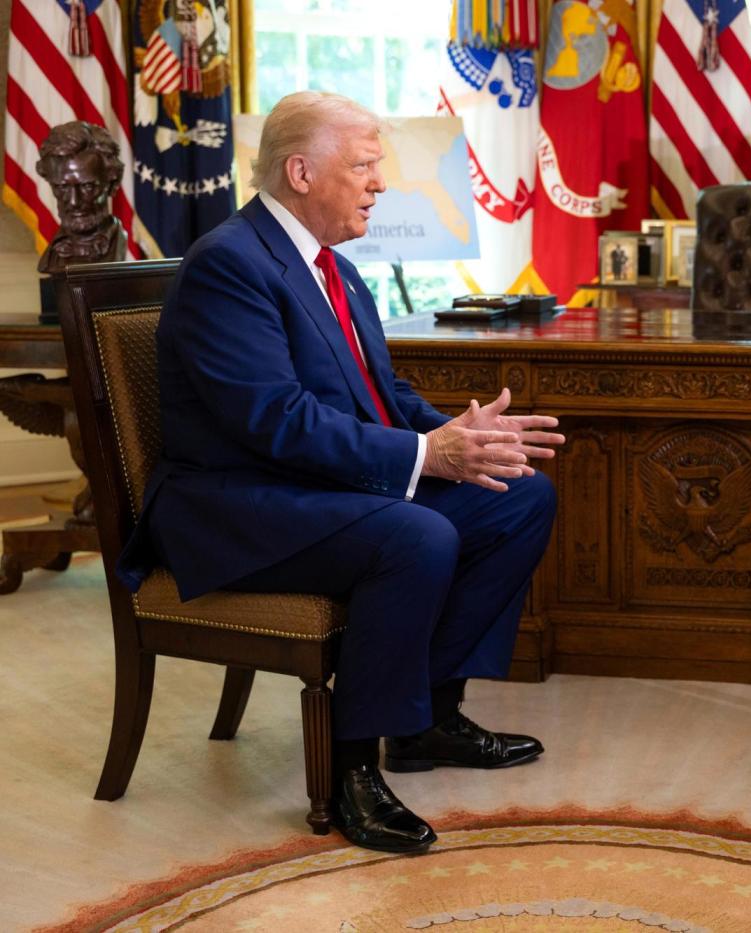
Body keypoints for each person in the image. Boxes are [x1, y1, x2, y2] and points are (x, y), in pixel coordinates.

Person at [115, 92, 565, 855]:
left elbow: (379, 393)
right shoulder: (229, 264)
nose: (380, 182)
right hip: (238, 505)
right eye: (363, 165)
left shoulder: (337, 270)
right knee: (415, 536)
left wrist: (459, 436)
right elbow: (276, 420)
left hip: (313, 487)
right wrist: (427, 457)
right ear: (301, 172)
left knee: (519, 498)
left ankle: (425, 719)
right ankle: (353, 769)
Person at [35, 121, 127, 273]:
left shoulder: (117, 244)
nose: (74, 202)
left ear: (112, 183)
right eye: (62, 187)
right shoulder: (51, 257)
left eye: (87, 186)